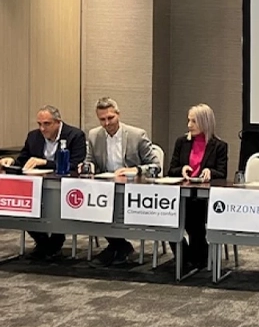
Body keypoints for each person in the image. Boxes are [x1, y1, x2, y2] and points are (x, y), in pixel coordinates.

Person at [0, 105, 86, 260]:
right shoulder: (33, 136)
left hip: (65, 187)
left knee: (57, 206)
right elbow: (23, 160)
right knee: (23, 205)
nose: (42, 128)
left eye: (46, 124)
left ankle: (53, 242)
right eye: (39, 124)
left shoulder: (75, 135)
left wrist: (44, 162)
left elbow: (75, 164)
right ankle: (45, 244)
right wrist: (10, 161)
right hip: (36, 187)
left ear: (58, 122)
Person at [84, 97, 161, 266]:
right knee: (90, 209)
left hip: (134, 190)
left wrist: (136, 170)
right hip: (105, 189)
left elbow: (156, 166)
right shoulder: (94, 135)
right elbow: (89, 161)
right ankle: (120, 246)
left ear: (118, 114)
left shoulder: (137, 135)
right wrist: (86, 166)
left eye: (110, 118)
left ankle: (116, 248)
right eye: (102, 119)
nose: (106, 123)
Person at [168, 104, 228, 271]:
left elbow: (222, 174)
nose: (189, 125)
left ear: (205, 122)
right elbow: (171, 169)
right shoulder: (181, 142)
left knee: (194, 217)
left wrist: (210, 171)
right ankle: (187, 256)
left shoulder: (219, 146)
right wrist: (181, 169)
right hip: (181, 194)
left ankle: (196, 257)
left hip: (204, 197)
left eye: (194, 121)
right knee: (167, 217)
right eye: (188, 120)